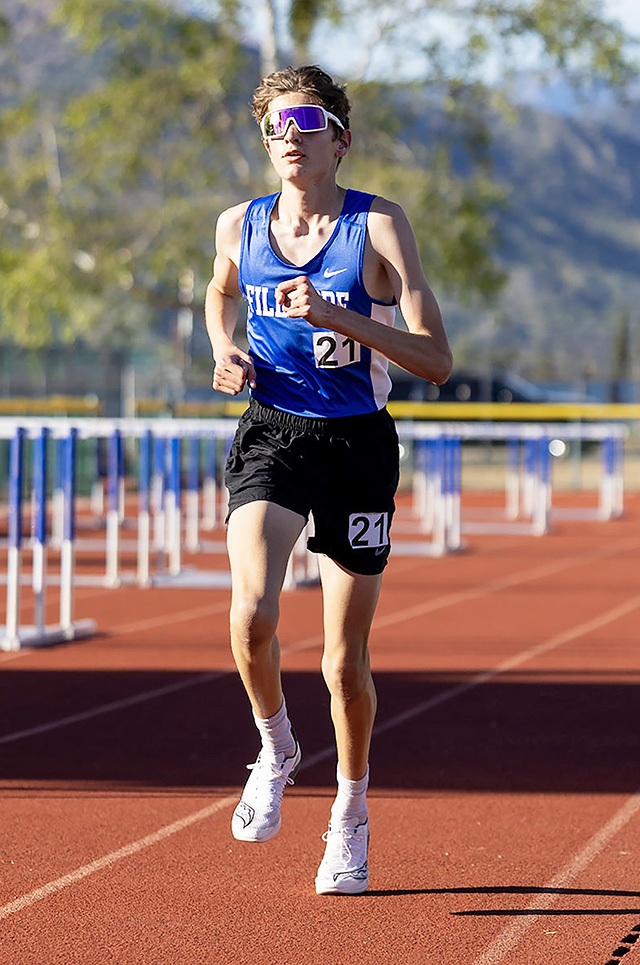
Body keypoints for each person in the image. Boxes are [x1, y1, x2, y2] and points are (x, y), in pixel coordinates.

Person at [204, 64, 452, 895]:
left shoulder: (379, 226)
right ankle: (275, 744)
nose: (288, 135)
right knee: (252, 611)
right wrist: (224, 348)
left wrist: (341, 316)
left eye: (305, 120)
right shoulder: (238, 222)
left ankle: (349, 813)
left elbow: (437, 360)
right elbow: (220, 288)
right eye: (274, 124)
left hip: (355, 445)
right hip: (272, 433)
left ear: (340, 138)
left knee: (344, 664)